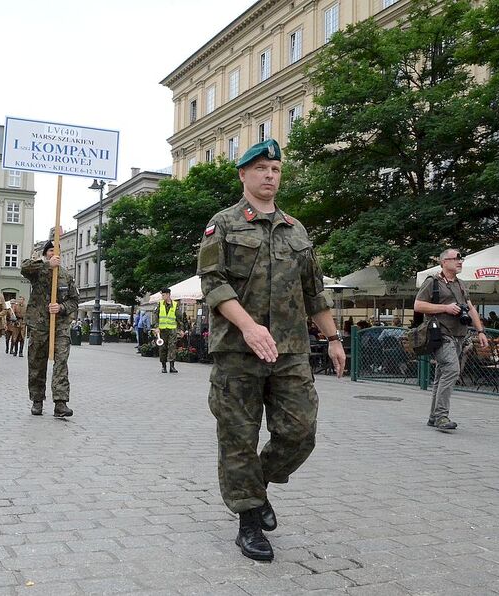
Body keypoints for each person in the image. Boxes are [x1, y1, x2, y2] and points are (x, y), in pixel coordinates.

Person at [196, 139, 345, 562]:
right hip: (237, 352)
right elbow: (213, 283)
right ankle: (248, 522)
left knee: (301, 432)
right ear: (243, 175)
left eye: (275, 169)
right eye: (260, 168)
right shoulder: (222, 224)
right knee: (238, 437)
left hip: (291, 350)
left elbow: (313, 291)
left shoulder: (296, 229)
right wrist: (248, 327)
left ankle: (255, 488)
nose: (269, 175)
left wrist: (333, 339)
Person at [413, 248, 489, 432]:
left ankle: (433, 417)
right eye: (456, 259)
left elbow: (470, 309)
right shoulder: (433, 282)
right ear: (444, 262)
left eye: (461, 259)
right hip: (441, 335)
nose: (460, 262)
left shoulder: (461, 284)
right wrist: (445, 309)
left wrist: (480, 331)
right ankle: (441, 416)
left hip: (460, 335)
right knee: (452, 370)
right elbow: (418, 305)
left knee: (442, 375)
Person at [20, 239, 79, 417]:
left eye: (56, 251)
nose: (54, 253)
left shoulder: (66, 275)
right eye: (50, 251)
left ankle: (60, 403)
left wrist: (61, 307)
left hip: (60, 325)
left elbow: (74, 301)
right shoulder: (38, 271)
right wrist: (46, 265)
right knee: (37, 362)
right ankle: (37, 401)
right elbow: (24, 268)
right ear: (46, 254)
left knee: (61, 362)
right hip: (39, 325)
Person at [153, 288, 186, 373]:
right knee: (162, 348)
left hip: (172, 330)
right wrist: (156, 327)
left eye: (163, 295)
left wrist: (181, 330)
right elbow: (155, 316)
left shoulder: (175, 305)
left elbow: (179, 318)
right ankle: (163, 366)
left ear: (168, 295)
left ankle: (172, 366)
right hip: (162, 330)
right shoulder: (160, 304)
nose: (162, 296)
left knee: (172, 347)